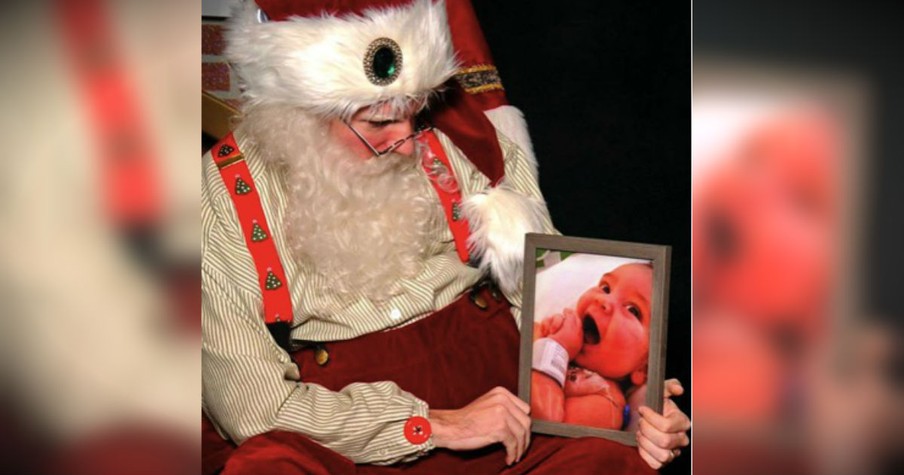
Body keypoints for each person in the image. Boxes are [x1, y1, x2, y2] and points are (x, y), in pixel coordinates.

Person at [202, 1, 690, 473]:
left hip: (509, 416)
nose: (408, 142)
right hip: (347, 437)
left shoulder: (459, 138)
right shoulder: (220, 199)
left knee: (610, 463)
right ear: (299, 112)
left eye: (415, 112)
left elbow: (538, 296)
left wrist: (636, 411)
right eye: (379, 122)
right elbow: (255, 408)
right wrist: (430, 425)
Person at [532, 263, 653, 431]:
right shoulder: (552, 331)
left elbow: (542, 424)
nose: (604, 300)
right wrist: (541, 335)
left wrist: (555, 347)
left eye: (633, 310)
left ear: (644, 369)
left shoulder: (606, 404)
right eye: (605, 288)